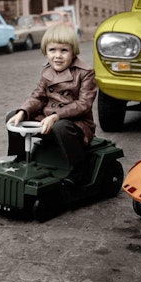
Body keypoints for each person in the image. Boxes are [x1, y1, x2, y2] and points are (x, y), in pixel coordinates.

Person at [6, 24, 97, 183]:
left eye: (64, 50)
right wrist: (23, 111)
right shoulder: (47, 71)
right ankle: (21, 157)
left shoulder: (85, 72)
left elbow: (84, 104)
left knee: (60, 126)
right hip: (47, 120)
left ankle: (79, 169)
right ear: (45, 52)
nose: (57, 56)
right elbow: (38, 96)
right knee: (13, 116)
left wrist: (56, 116)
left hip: (75, 123)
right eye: (52, 50)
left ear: (73, 51)